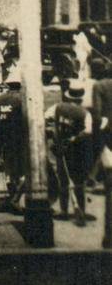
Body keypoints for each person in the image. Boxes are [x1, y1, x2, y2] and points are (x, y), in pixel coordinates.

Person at [51, 82, 93, 222]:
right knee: (78, 181)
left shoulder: (58, 107)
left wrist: (56, 139)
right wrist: (75, 138)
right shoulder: (84, 113)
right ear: (80, 98)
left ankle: (64, 211)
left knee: (63, 180)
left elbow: (50, 122)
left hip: (61, 148)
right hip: (77, 151)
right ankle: (80, 210)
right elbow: (88, 131)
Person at [0, 82, 27, 208]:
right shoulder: (22, 99)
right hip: (19, 138)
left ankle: (12, 197)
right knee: (23, 171)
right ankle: (15, 199)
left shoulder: (1, 98)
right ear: (19, 86)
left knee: (8, 170)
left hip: (3, 137)